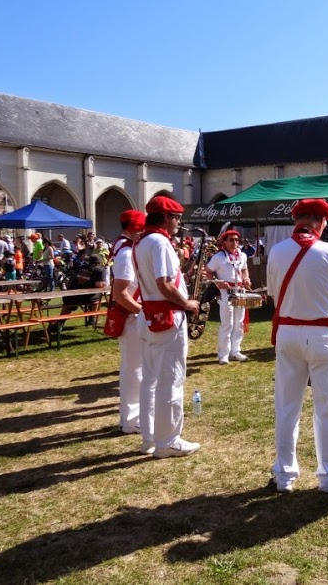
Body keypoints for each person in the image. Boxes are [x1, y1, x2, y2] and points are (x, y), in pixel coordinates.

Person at [267, 198, 328, 493]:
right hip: (324, 335)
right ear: (320, 222)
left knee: (287, 405)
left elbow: (273, 294)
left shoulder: (277, 251)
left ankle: (284, 474)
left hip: (289, 333)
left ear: (297, 221)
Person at [134, 195, 201, 459]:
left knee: (150, 380)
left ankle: (150, 437)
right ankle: (168, 440)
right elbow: (164, 283)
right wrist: (187, 302)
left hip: (149, 314)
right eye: (176, 218)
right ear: (166, 218)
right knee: (171, 380)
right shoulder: (160, 242)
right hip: (167, 316)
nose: (178, 224)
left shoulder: (141, 242)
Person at [110, 210, 147, 442]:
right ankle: (131, 420)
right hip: (132, 317)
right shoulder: (125, 253)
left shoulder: (127, 250)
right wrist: (141, 312)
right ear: (135, 229)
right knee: (134, 370)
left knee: (137, 369)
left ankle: (133, 417)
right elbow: (120, 293)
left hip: (135, 316)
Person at [205, 229, 252, 364]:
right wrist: (218, 283)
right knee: (227, 324)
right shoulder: (219, 257)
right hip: (226, 293)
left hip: (240, 291)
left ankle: (235, 350)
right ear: (224, 242)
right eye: (231, 240)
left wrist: (246, 278)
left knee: (239, 322)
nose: (235, 242)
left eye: (237, 240)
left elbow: (244, 269)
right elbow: (208, 272)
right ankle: (223, 354)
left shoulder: (242, 255)